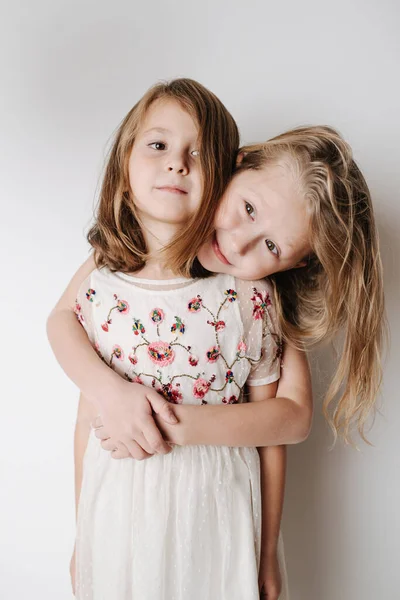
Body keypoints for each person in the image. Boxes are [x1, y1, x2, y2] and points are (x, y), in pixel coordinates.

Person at [48, 78, 312, 599]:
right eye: (159, 145)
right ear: (124, 166)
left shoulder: (247, 295)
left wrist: (265, 552)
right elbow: (86, 415)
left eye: (196, 153)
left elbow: (276, 433)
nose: (176, 163)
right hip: (121, 518)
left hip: (217, 514)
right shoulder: (104, 282)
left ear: (221, 177)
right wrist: (84, 533)